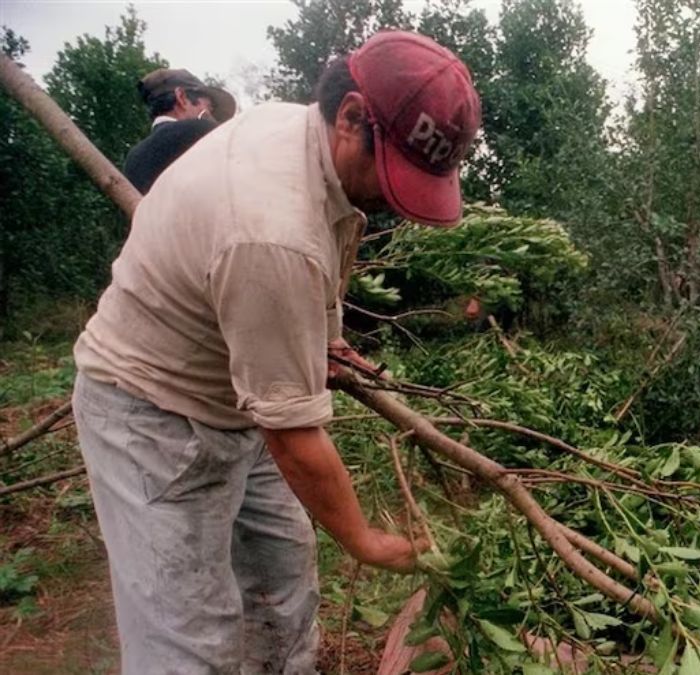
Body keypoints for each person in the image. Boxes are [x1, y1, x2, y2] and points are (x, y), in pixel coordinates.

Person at [71, 31, 481, 673]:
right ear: (350, 117)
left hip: (235, 394)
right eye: (395, 172)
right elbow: (292, 432)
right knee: (189, 636)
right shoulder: (270, 232)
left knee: (282, 583)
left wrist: (327, 342)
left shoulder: (304, 138)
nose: (398, 200)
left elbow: (324, 254)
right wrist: (366, 540)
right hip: (151, 413)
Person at [123, 68, 236, 193]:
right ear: (181, 97)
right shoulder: (201, 130)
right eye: (209, 107)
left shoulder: (132, 159)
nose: (211, 115)